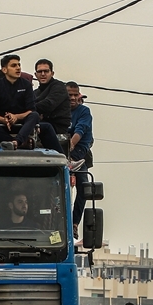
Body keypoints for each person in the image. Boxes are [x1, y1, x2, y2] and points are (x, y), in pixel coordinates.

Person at [0, 55, 41, 151]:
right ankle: (12, 142)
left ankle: (17, 141)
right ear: (4, 70)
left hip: (21, 124)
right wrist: (3, 119)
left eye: (19, 65)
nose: (18, 68)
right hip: (3, 125)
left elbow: (31, 109)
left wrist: (16, 117)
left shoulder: (26, 85)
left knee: (34, 115)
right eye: (13, 65)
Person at [65, 82, 93, 238]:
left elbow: (80, 131)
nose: (73, 98)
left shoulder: (84, 112)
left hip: (79, 153)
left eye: (76, 95)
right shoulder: (60, 111)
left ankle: (75, 223)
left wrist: (71, 145)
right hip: (61, 152)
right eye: (70, 95)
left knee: (84, 187)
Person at [33, 59, 72, 153]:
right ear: (35, 74)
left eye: (46, 71)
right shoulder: (35, 93)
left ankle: (63, 160)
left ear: (52, 73)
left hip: (57, 128)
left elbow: (48, 104)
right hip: (39, 126)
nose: (43, 74)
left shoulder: (59, 87)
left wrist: (31, 109)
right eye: (40, 71)